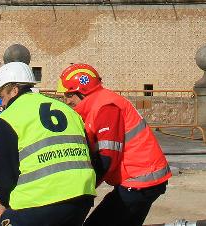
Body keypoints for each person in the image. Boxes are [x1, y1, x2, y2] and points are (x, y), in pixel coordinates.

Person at [58, 63, 171, 226]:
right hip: (142, 179)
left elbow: (107, 159)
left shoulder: (105, 107)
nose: (66, 101)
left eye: (69, 95)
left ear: (83, 92)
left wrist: (83, 191)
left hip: (140, 180)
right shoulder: (98, 105)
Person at [0, 62, 96, 226]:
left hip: (41, 200)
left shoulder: (9, 117)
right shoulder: (67, 110)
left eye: (2, 97)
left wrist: (6, 203)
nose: (1, 103)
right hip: (82, 195)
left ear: (14, 90)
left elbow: (4, 174)